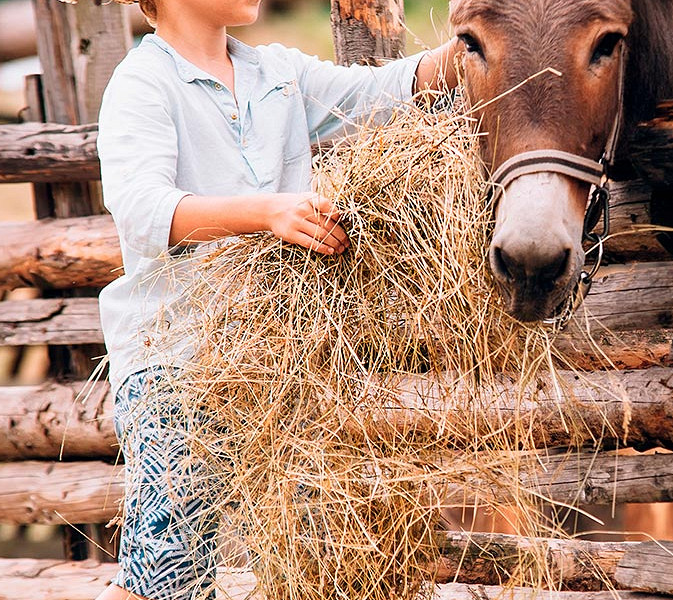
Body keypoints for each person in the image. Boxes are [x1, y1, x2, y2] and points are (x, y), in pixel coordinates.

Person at [93, 1, 461, 599]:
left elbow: (384, 92)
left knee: (329, 562)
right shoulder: (142, 83)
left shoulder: (278, 74)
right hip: (178, 361)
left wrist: (478, 40)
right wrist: (269, 213)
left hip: (283, 363)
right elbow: (144, 213)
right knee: (168, 574)